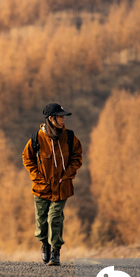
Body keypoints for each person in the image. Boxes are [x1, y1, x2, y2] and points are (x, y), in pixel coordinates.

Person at [22, 103, 83, 266]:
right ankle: (45, 244)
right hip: (41, 188)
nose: (63, 120)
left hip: (62, 187)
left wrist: (67, 175)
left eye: (64, 117)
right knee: (41, 224)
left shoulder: (70, 137)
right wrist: (37, 178)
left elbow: (77, 157)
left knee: (55, 218)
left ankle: (55, 251)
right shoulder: (36, 138)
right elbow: (27, 158)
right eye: (60, 116)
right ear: (51, 119)